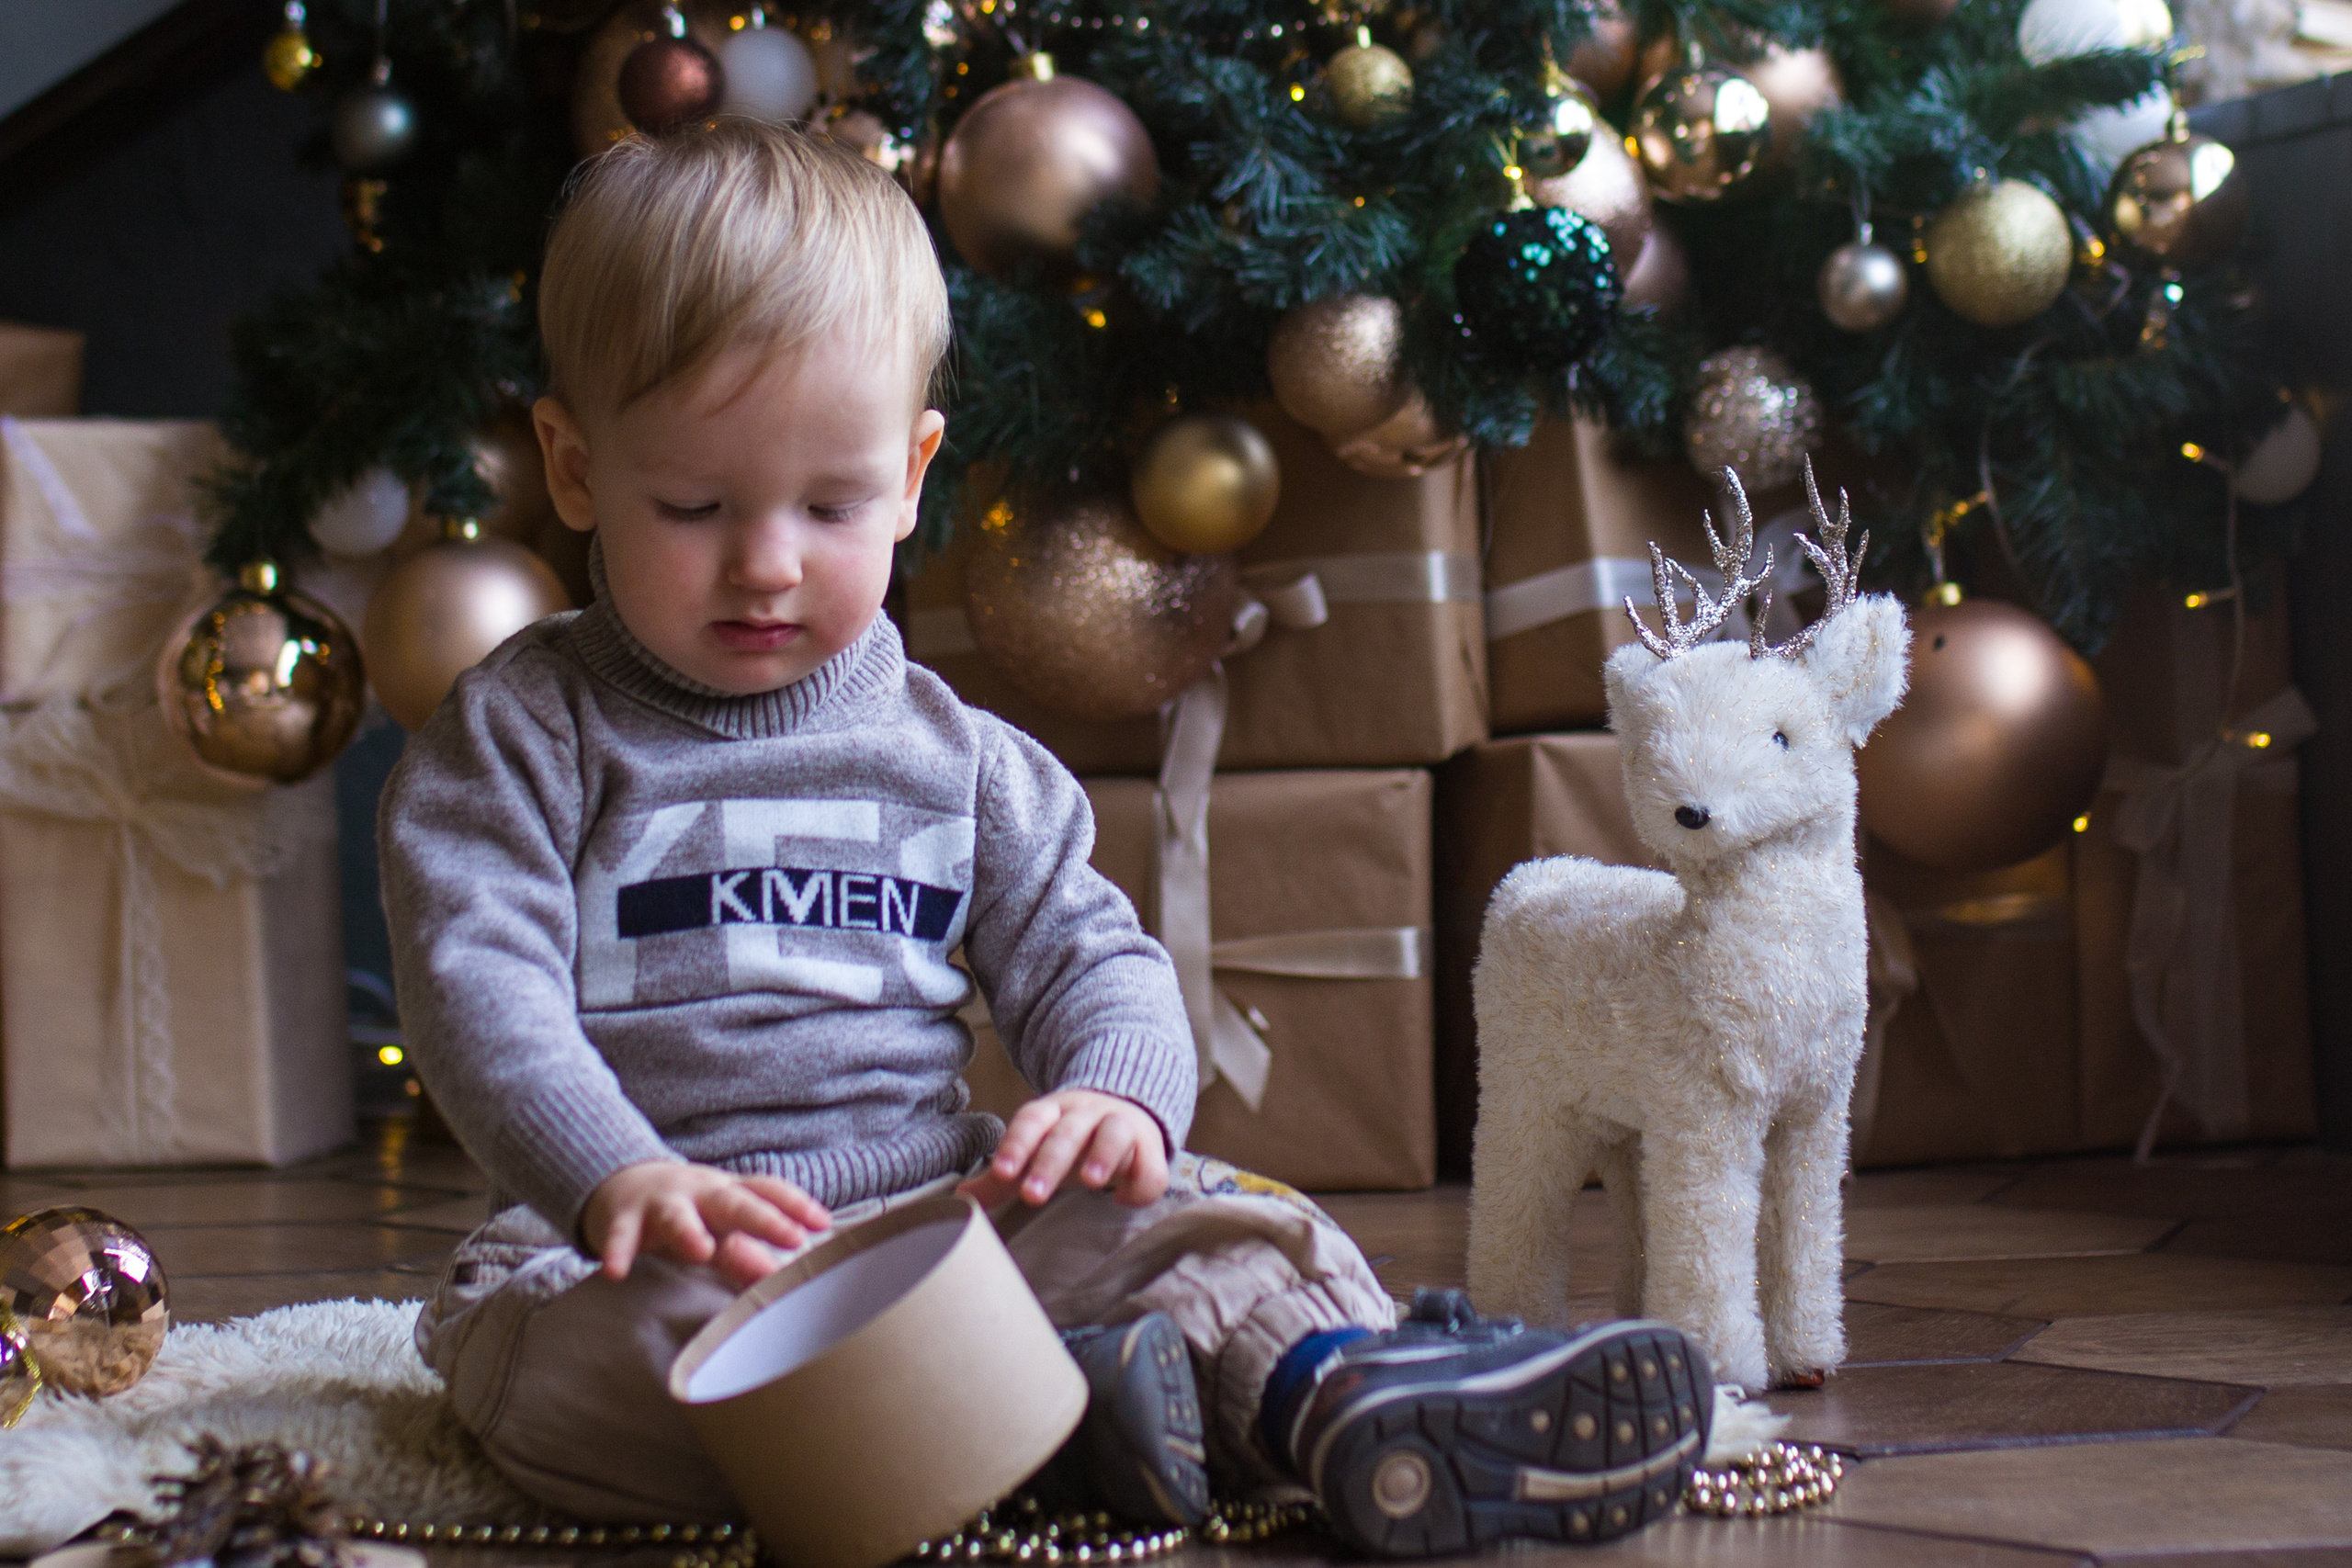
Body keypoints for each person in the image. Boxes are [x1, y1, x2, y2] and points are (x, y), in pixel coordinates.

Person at [379, 118, 1709, 1556]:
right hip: (665, 1247)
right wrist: (612, 1177)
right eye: (693, 506)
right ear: (573, 469)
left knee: (1220, 1226)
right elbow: (478, 986)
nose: (766, 561)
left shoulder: (962, 764)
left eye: (831, 504)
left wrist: (1118, 1101)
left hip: (940, 1220)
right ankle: (1043, 1427)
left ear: (911, 474)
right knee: (546, 1363)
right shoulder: (532, 733)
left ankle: (1343, 1399)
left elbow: (1095, 957)